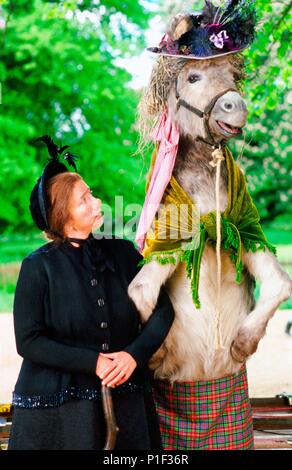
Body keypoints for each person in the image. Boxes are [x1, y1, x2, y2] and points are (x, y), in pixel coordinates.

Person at [8, 136, 174, 450]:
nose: (96, 202)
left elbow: (163, 310)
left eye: (92, 194)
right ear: (62, 215)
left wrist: (132, 356)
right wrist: (93, 362)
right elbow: (28, 340)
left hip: (127, 401)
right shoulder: (37, 267)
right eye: (85, 199)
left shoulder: (123, 254)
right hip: (60, 410)